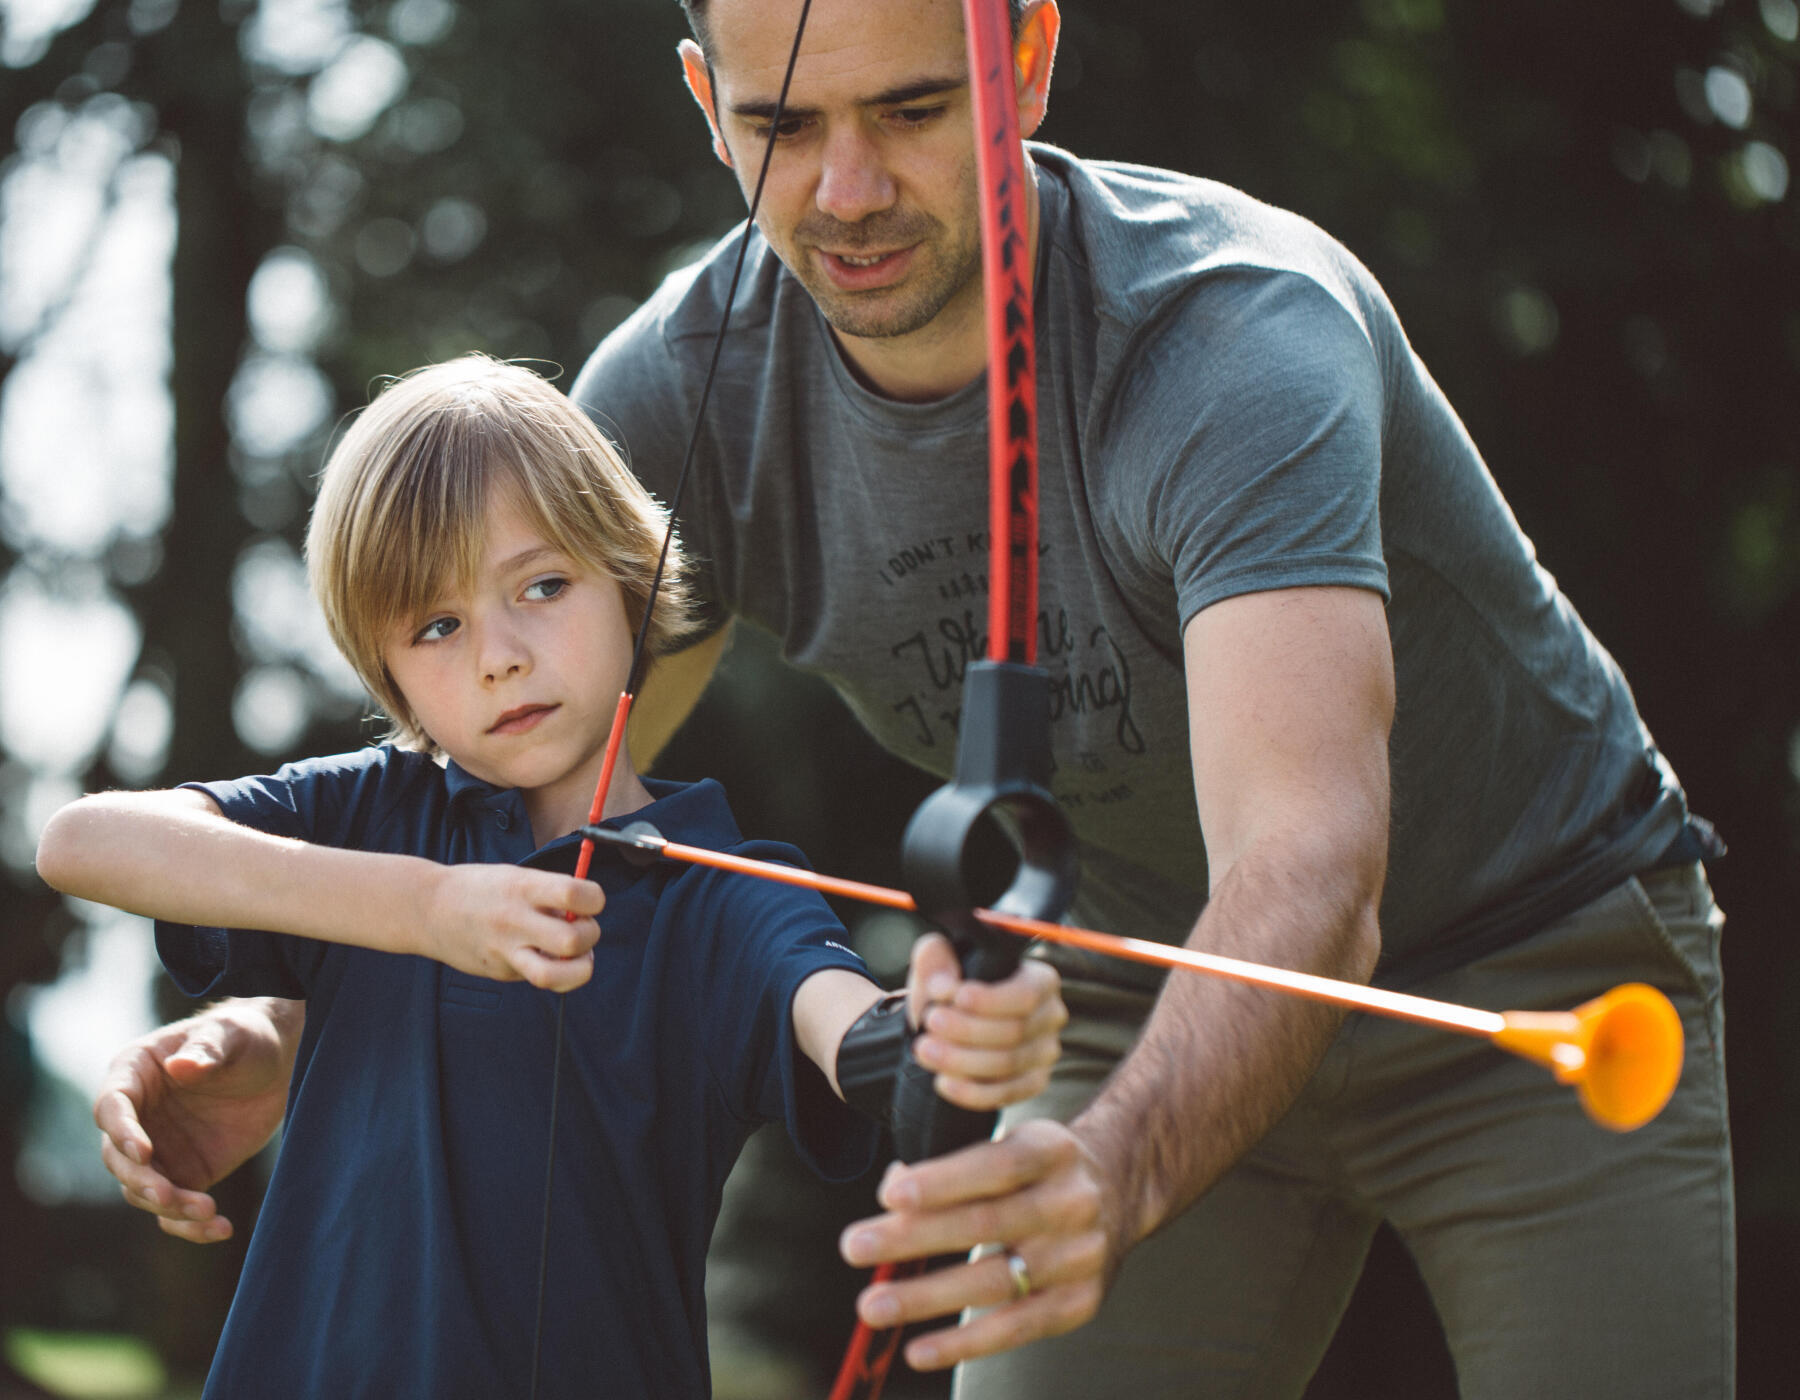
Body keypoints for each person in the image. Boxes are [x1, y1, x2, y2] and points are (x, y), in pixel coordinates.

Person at [94, 1, 1734, 1396]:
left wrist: (1115, 1164)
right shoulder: (670, 395)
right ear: (703, 107)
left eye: (913, 106)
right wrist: (312, 1028)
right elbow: (547, 819)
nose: (850, 189)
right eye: (783, 125)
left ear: (1024, 51)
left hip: (1545, 986)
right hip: (1112, 1001)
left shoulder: (1238, 333)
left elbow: (1312, 865)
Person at [39, 356, 1066, 1400]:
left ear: (630, 575)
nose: (499, 655)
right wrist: (428, 908)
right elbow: (84, 840)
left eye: (542, 585)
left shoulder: (721, 896)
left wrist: (944, 1031)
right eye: (435, 625)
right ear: (389, 671)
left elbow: (854, 1030)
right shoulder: (375, 814)